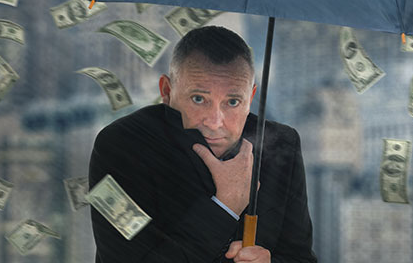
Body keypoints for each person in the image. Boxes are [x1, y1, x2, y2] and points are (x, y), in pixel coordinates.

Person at [89, 26, 317, 263]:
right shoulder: (119, 146)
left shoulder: (283, 145)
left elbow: (300, 258)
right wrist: (225, 206)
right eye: (199, 99)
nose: (215, 122)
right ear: (167, 91)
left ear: (250, 98)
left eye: (232, 101)